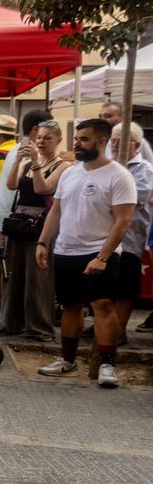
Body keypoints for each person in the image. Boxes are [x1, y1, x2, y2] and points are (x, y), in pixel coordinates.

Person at [36, 119, 136, 388]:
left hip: (99, 251)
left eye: (83, 139)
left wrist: (102, 257)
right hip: (67, 249)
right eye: (76, 139)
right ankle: (67, 360)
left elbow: (123, 221)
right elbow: (55, 211)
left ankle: (107, 365)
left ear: (101, 142)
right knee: (70, 306)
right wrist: (43, 243)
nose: (76, 144)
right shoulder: (70, 173)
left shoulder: (119, 175)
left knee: (102, 305)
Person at [0, 120, 71, 340]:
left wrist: (34, 163)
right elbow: (11, 185)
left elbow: (44, 188)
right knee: (13, 274)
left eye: (48, 138)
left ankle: (39, 327)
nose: (41, 142)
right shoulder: (29, 162)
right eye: (39, 137)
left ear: (58, 140)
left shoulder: (63, 166)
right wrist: (18, 161)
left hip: (42, 224)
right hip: (19, 222)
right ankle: (11, 322)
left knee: (38, 278)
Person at [106, 121, 153, 343]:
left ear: (134, 144)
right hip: (105, 238)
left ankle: (119, 329)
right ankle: (105, 325)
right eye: (112, 140)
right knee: (106, 285)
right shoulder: (107, 165)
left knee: (125, 287)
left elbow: (137, 197)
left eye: (119, 141)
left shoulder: (144, 169)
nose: (114, 144)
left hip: (130, 238)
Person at [0, 109, 55, 239]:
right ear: (36, 129)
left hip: (10, 220)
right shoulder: (28, 153)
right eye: (50, 128)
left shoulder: (17, 148)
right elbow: (25, 187)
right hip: (18, 222)